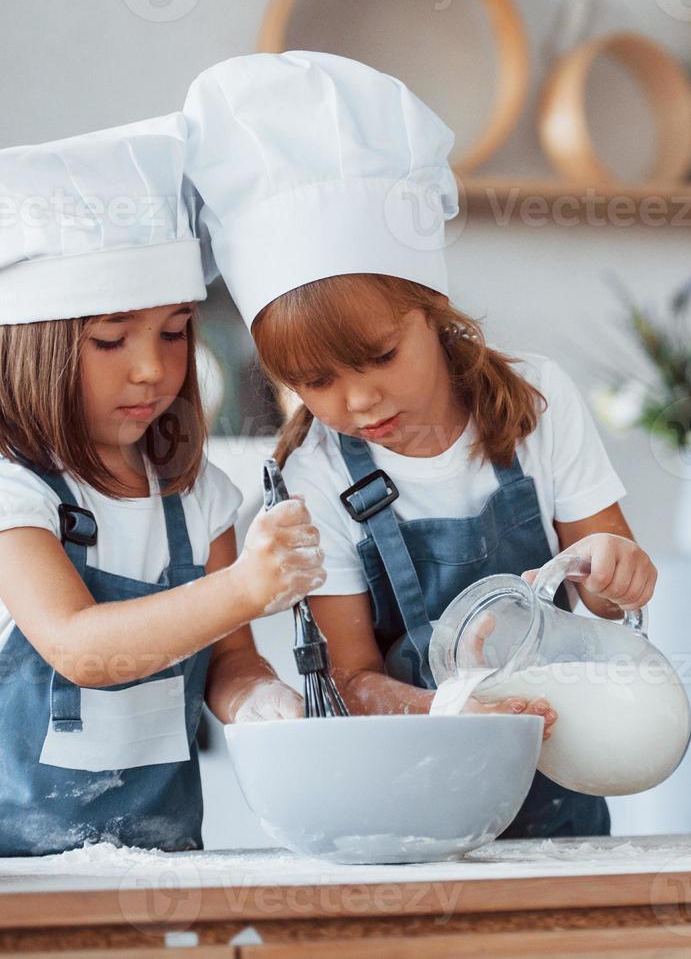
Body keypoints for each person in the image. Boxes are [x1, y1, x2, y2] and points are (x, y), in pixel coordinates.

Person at [184, 52, 658, 838]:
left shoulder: (538, 404)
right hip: (405, 808)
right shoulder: (315, 475)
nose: (358, 400)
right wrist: (464, 708)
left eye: (378, 357)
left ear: (431, 306)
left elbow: (606, 603)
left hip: (559, 785)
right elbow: (353, 679)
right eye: (315, 380)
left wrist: (621, 573)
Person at [0, 114, 324, 858]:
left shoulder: (194, 493)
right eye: (113, 339)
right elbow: (80, 649)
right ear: (32, 347)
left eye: (175, 331)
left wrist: (261, 702)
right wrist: (245, 585)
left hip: (154, 866)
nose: (152, 368)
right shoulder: (6, 494)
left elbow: (229, 658)